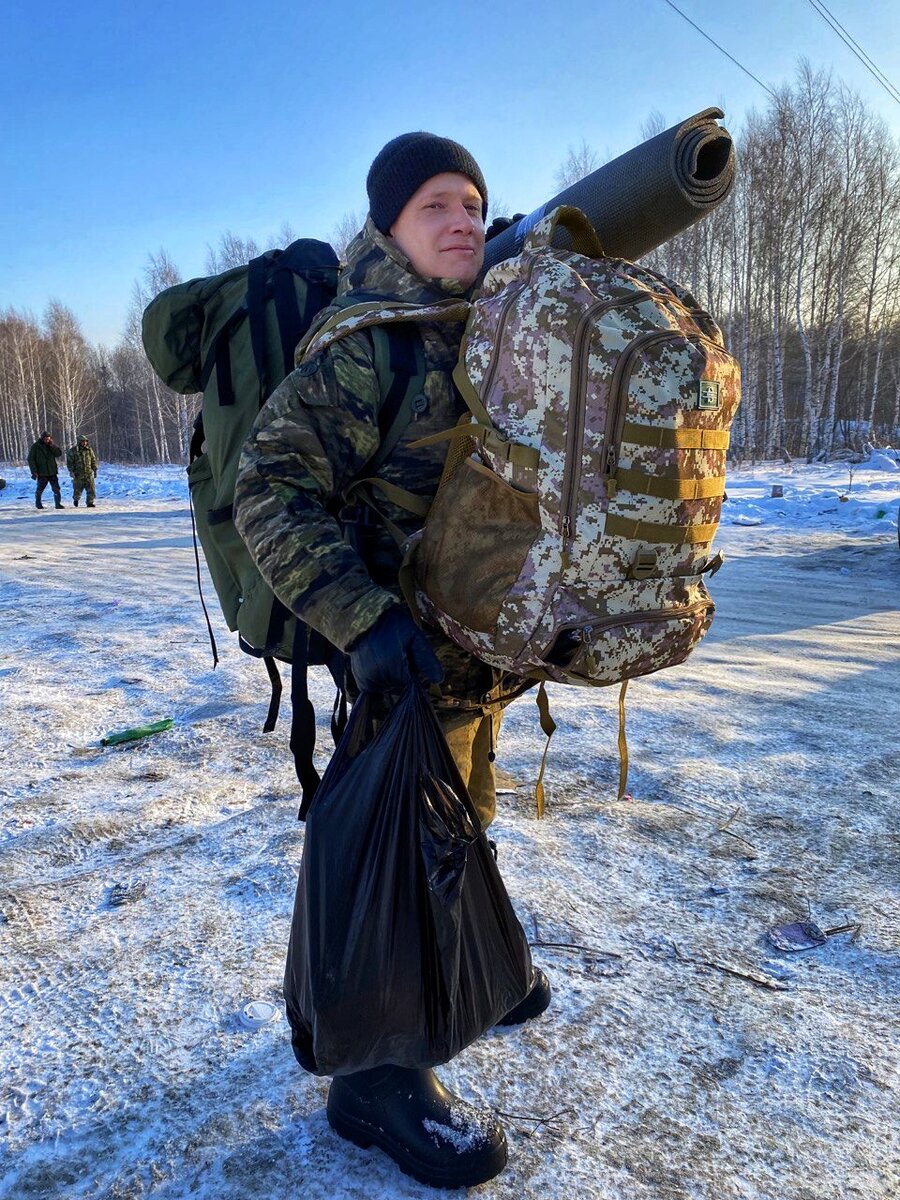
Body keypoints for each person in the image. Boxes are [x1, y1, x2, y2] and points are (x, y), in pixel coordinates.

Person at [235, 133, 549, 1189]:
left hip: (472, 660)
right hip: (399, 660)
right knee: (403, 866)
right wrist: (365, 627)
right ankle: (379, 1082)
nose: (463, 219)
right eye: (433, 206)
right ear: (387, 229)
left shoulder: (481, 330)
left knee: (462, 823)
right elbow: (268, 493)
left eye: (473, 202)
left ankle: (469, 971)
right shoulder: (368, 346)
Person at [28, 431, 64, 509]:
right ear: (42, 438)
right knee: (40, 489)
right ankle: (38, 503)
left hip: (52, 471)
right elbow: (31, 459)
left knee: (56, 488)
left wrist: (52, 446)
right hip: (42, 472)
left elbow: (58, 454)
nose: (47, 440)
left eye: (48, 439)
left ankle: (58, 504)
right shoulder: (36, 446)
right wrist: (34, 471)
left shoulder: (51, 445)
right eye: (45, 439)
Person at [66, 434, 99, 507]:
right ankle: (76, 499)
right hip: (78, 474)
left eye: (86, 441)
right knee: (77, 490)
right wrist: (71, 471)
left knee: (91, 489)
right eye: (83, 441)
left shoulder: (89, 450)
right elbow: (69, 463)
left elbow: (93, 460)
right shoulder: (73, 451)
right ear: (79, 442)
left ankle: (90, 502)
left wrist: (95, 469)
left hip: (88, 473)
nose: (84, 443)